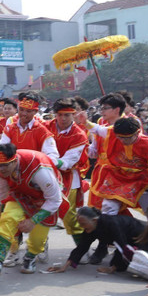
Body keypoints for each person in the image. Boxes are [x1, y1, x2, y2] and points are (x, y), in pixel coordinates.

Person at [0, 144, 62, 276]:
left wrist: (32, 221)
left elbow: (55, 199)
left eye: (5, 165)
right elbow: (1, 192)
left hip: (43, 200)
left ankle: (30, 257)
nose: (1, 169)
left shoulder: (39, 170)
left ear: (14, 161)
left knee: (37, 240)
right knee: (6, 219)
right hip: (20, 195)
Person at [47, 206, 148, 274]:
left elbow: (122, 245)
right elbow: (82, 246)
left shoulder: (111, 224)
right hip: (125, 239)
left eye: (84, 224)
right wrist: (65, 266)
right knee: (119, 261)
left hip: (140, 236)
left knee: (136, 262)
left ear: (94, 220)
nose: (83, 227)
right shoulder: (91, 227)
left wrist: (112, 268)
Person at [45, 98, 89, 236]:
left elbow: (67, 162)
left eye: (67, 115)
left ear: (74, 114)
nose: (63, 118)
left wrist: (46, 161)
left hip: (69, 176)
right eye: (59, 115)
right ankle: (39, 247)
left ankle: (82, 246)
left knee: (69, 215)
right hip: (44, 174)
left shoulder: (79, 135)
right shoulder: (45, 127)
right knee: (41, 213)